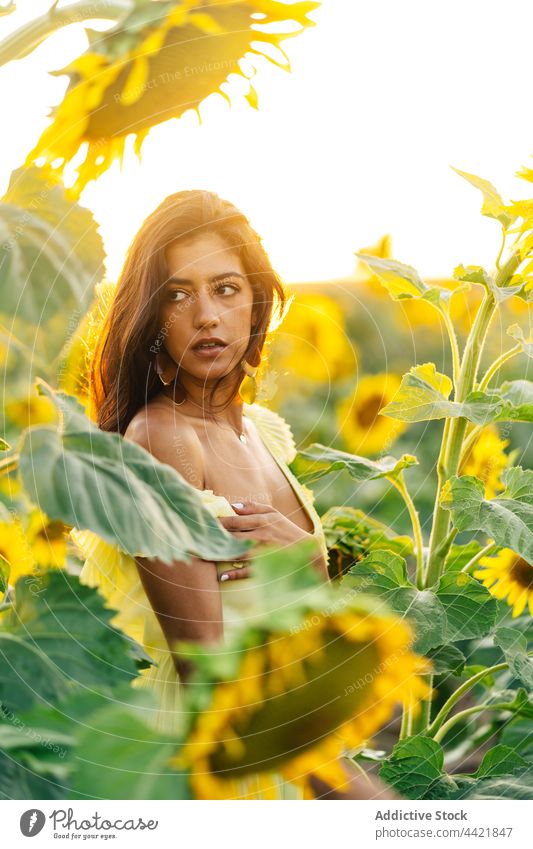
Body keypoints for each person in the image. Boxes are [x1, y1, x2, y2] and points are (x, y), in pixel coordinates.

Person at [71, 190, 392, 800]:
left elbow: (301, 620)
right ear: (151, 316)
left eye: (225, 288)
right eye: (177, 293)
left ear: (257, 302)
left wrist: (306, 558)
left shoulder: (260, 431)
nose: (207, 316)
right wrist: (368, 805)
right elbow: (212, 688)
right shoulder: (162, 442)